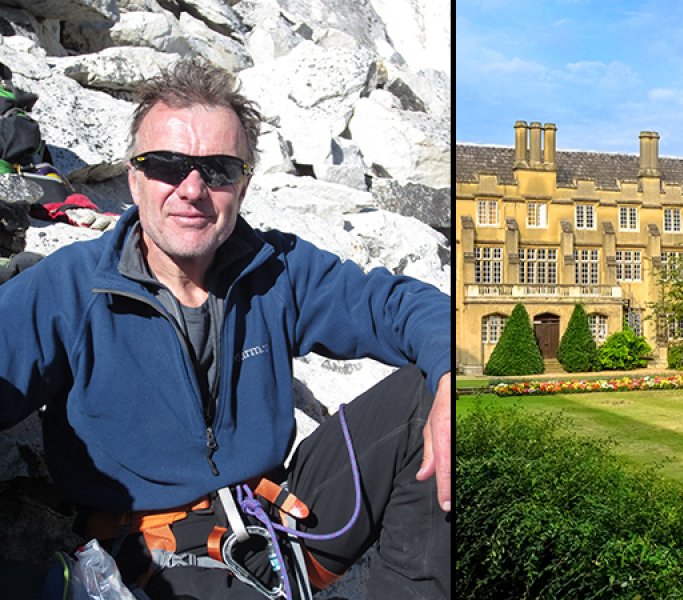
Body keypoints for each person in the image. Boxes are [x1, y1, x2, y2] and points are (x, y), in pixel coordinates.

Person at [0, 59, 451, 599]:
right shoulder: (71, 289)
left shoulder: (276, 268)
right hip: (154, 562)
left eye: (217, 170)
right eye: (166, 165)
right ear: (134, 178)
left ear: (245, 183)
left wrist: (452, 370)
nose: (191, 189)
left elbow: (398, 306)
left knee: (439, 396)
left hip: (282, 524)